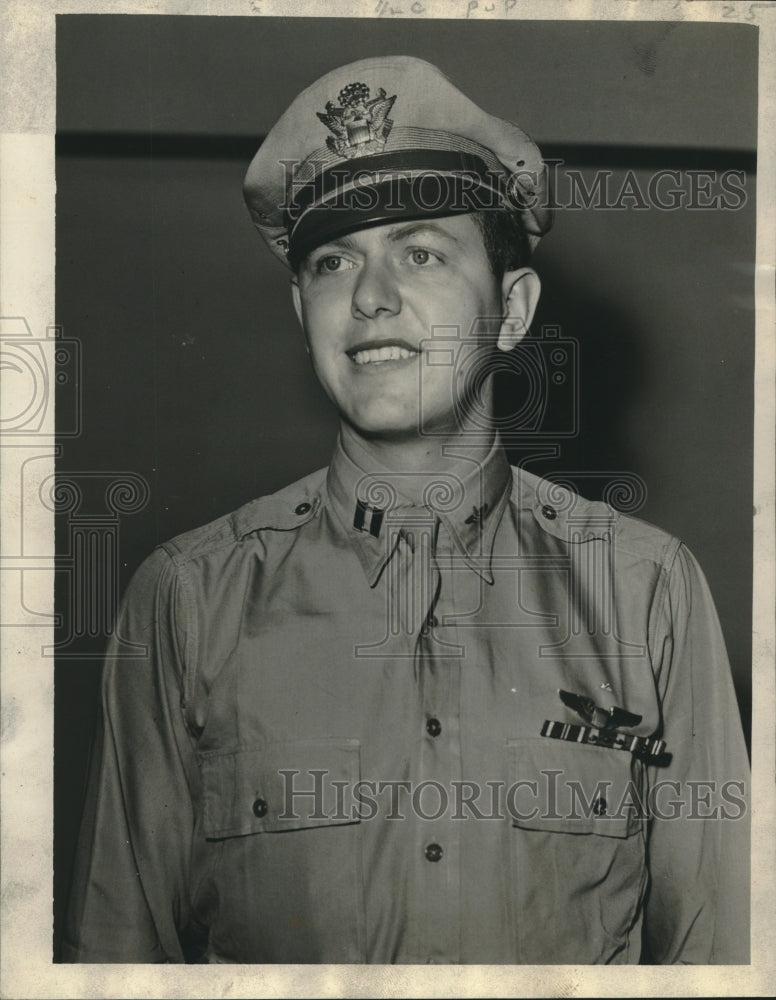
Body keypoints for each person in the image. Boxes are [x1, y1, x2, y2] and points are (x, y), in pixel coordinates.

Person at [63, 55, 750, 965]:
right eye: (333, 260)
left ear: (512, 310)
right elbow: (119, 953)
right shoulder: (188, 598)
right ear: (300, 307)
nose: (371, 296)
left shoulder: (646, 592)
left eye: (420, 251)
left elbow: (722, 953)